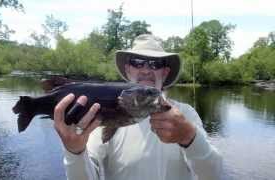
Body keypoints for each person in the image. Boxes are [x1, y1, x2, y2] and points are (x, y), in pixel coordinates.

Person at [53, 34, 222, 180]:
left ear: (165, 72)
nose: (146, 70)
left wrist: (189, 137)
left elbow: (213, 175)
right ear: (128, 70)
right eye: (138, 62)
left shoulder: (186, 115)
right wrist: (74, 152)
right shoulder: (102, 116)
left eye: (155, 64)